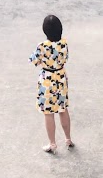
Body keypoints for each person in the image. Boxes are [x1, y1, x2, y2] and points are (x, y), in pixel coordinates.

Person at [30, 14, 73, 154]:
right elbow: (66, 58)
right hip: (60, 78)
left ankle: (52, 143)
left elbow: (34, 61)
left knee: (48, 113)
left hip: (47, 81)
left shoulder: (42, 46)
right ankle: (68, 139)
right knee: (63, 109)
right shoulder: (64, 43)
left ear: (45, 31)